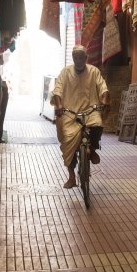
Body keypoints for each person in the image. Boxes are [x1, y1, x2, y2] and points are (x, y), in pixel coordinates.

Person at [51, 45, 110, 189]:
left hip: (90, 111)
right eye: (75, 57)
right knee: (67, 139)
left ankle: (93, 149)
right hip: (69, 113)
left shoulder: (93, 71)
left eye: (80, 57)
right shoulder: (65, 72)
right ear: (73, 58)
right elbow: (57, 89)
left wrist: (104, 99)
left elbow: (103, 86)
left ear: (86, 58)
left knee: (97, 123)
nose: (78, 60)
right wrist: (58, 105)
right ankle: (71, 177)